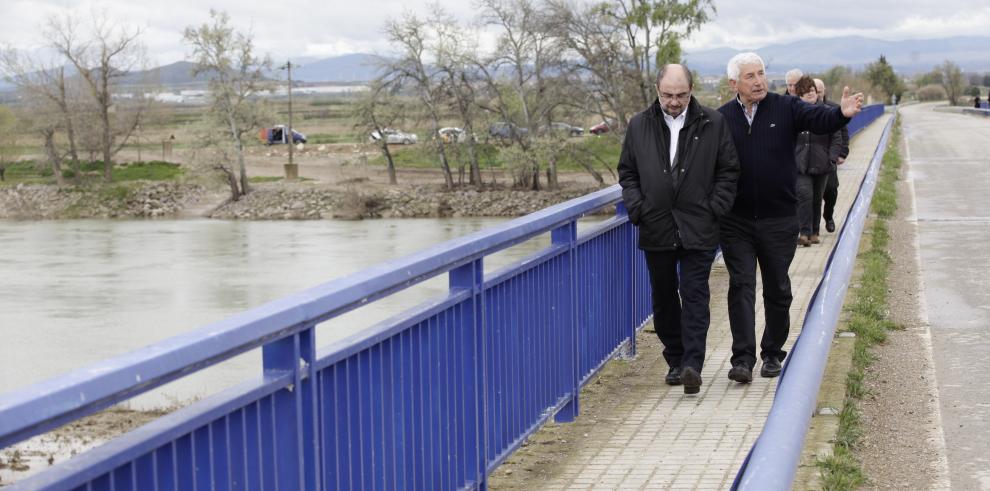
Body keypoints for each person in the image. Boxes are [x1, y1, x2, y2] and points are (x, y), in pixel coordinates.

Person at [717, 52, 863, 383]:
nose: (758, 81)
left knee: (778, 288)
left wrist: (841, 113)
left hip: (779, 218)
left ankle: (772, 353)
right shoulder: (721, 119)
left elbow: (819, 120)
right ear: (733, 84)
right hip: (736, 220)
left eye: (761, 74)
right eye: (750, 76)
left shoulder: (786, 108)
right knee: (741, 286)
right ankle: (742, 359)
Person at [618, 64, 740, 395]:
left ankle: (692, 364)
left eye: (681, 95)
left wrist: (715, 208)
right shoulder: (639, 125)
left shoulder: (713, 122)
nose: (674, 102)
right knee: (663, 297)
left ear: (692, 90)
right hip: (656, 225)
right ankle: (674, 358)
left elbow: (729, 171)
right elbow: (627, 172)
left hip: (699, 225)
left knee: (695, 293)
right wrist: (637, 208)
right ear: (657, 91)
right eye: (668, 95)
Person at [794, 76, 843, 246]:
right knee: (804, 195)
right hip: (800, 164)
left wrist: (831, 158)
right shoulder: (794, 113)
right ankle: (804, 232)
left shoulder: (826, 112)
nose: (809, 94)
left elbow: (837, 137)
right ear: (798, 95)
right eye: (805, 92)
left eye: (812, 91)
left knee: (816, 198)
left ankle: (814, 231)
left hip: (822, 163)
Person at [817, 78, 849, 233]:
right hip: (808, 161)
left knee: (831, 191)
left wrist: (842, 153)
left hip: (829, 159)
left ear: (823, 91)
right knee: (808, 195)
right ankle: (810, 228)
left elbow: (843, 132)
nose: (816, 94)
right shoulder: (802, 110)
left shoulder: (833, 109)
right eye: (813, 91)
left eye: (819, 91)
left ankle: (828, 216)